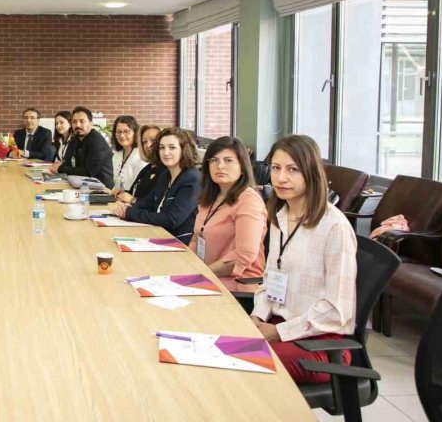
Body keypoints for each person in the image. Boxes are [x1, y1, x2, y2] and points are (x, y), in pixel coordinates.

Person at [251, 135, 357, 384]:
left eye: (293, 170)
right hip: (279, 324)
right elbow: (270, 280)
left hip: (321, 342)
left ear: (311, 173)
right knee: (223, 346)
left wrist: (278, 331)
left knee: (243, 363)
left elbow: (336, 310)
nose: (281, 178)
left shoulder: (334, 227)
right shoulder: (280, 216)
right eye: (276, 168)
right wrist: (257, 317)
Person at [188, 136, 266, 279]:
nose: (220, 166)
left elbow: (244, 255)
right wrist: (188, 268)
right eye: (214, 160)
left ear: (242, 167)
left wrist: (200, 275)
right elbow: (196, 238)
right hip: (207, 278)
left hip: (237, 285)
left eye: (228, 160)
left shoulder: (248, 200)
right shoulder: (210, 197)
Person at [112, 127, 200, 242]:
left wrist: (130, 212)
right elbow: (147, 203)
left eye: (172, 148)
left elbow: (172, 219)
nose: (166, 152)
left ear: (184, 149)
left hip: (178, 242)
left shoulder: (192, 178)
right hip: (157, 233)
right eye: (161, 148)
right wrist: (124, 208)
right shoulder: (165, 175)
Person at [51, 106, 113, 188]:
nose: (77, 125)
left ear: (91, 123)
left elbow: (88, 172)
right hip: (81, 183)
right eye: (74, 122)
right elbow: (68, 161)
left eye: (82, 121)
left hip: (101, 189)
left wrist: (60, 168)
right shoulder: (76, 138)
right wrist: (59, 167)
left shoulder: (96, 141)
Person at [115, 124, 161, 204]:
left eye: (153, 140)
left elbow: (154, 204)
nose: (148, 145)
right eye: (144, 142)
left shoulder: (165, 171)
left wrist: (132, 200)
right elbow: (138, 193)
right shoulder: (148, 168)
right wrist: (123, 192)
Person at [109, 115, 147, 195]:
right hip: (118, 199)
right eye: (119, 132)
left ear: (135, 133)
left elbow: (139, 188)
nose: (122, 135)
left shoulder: (140, 156)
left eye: (126, 131)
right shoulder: (116, 155)